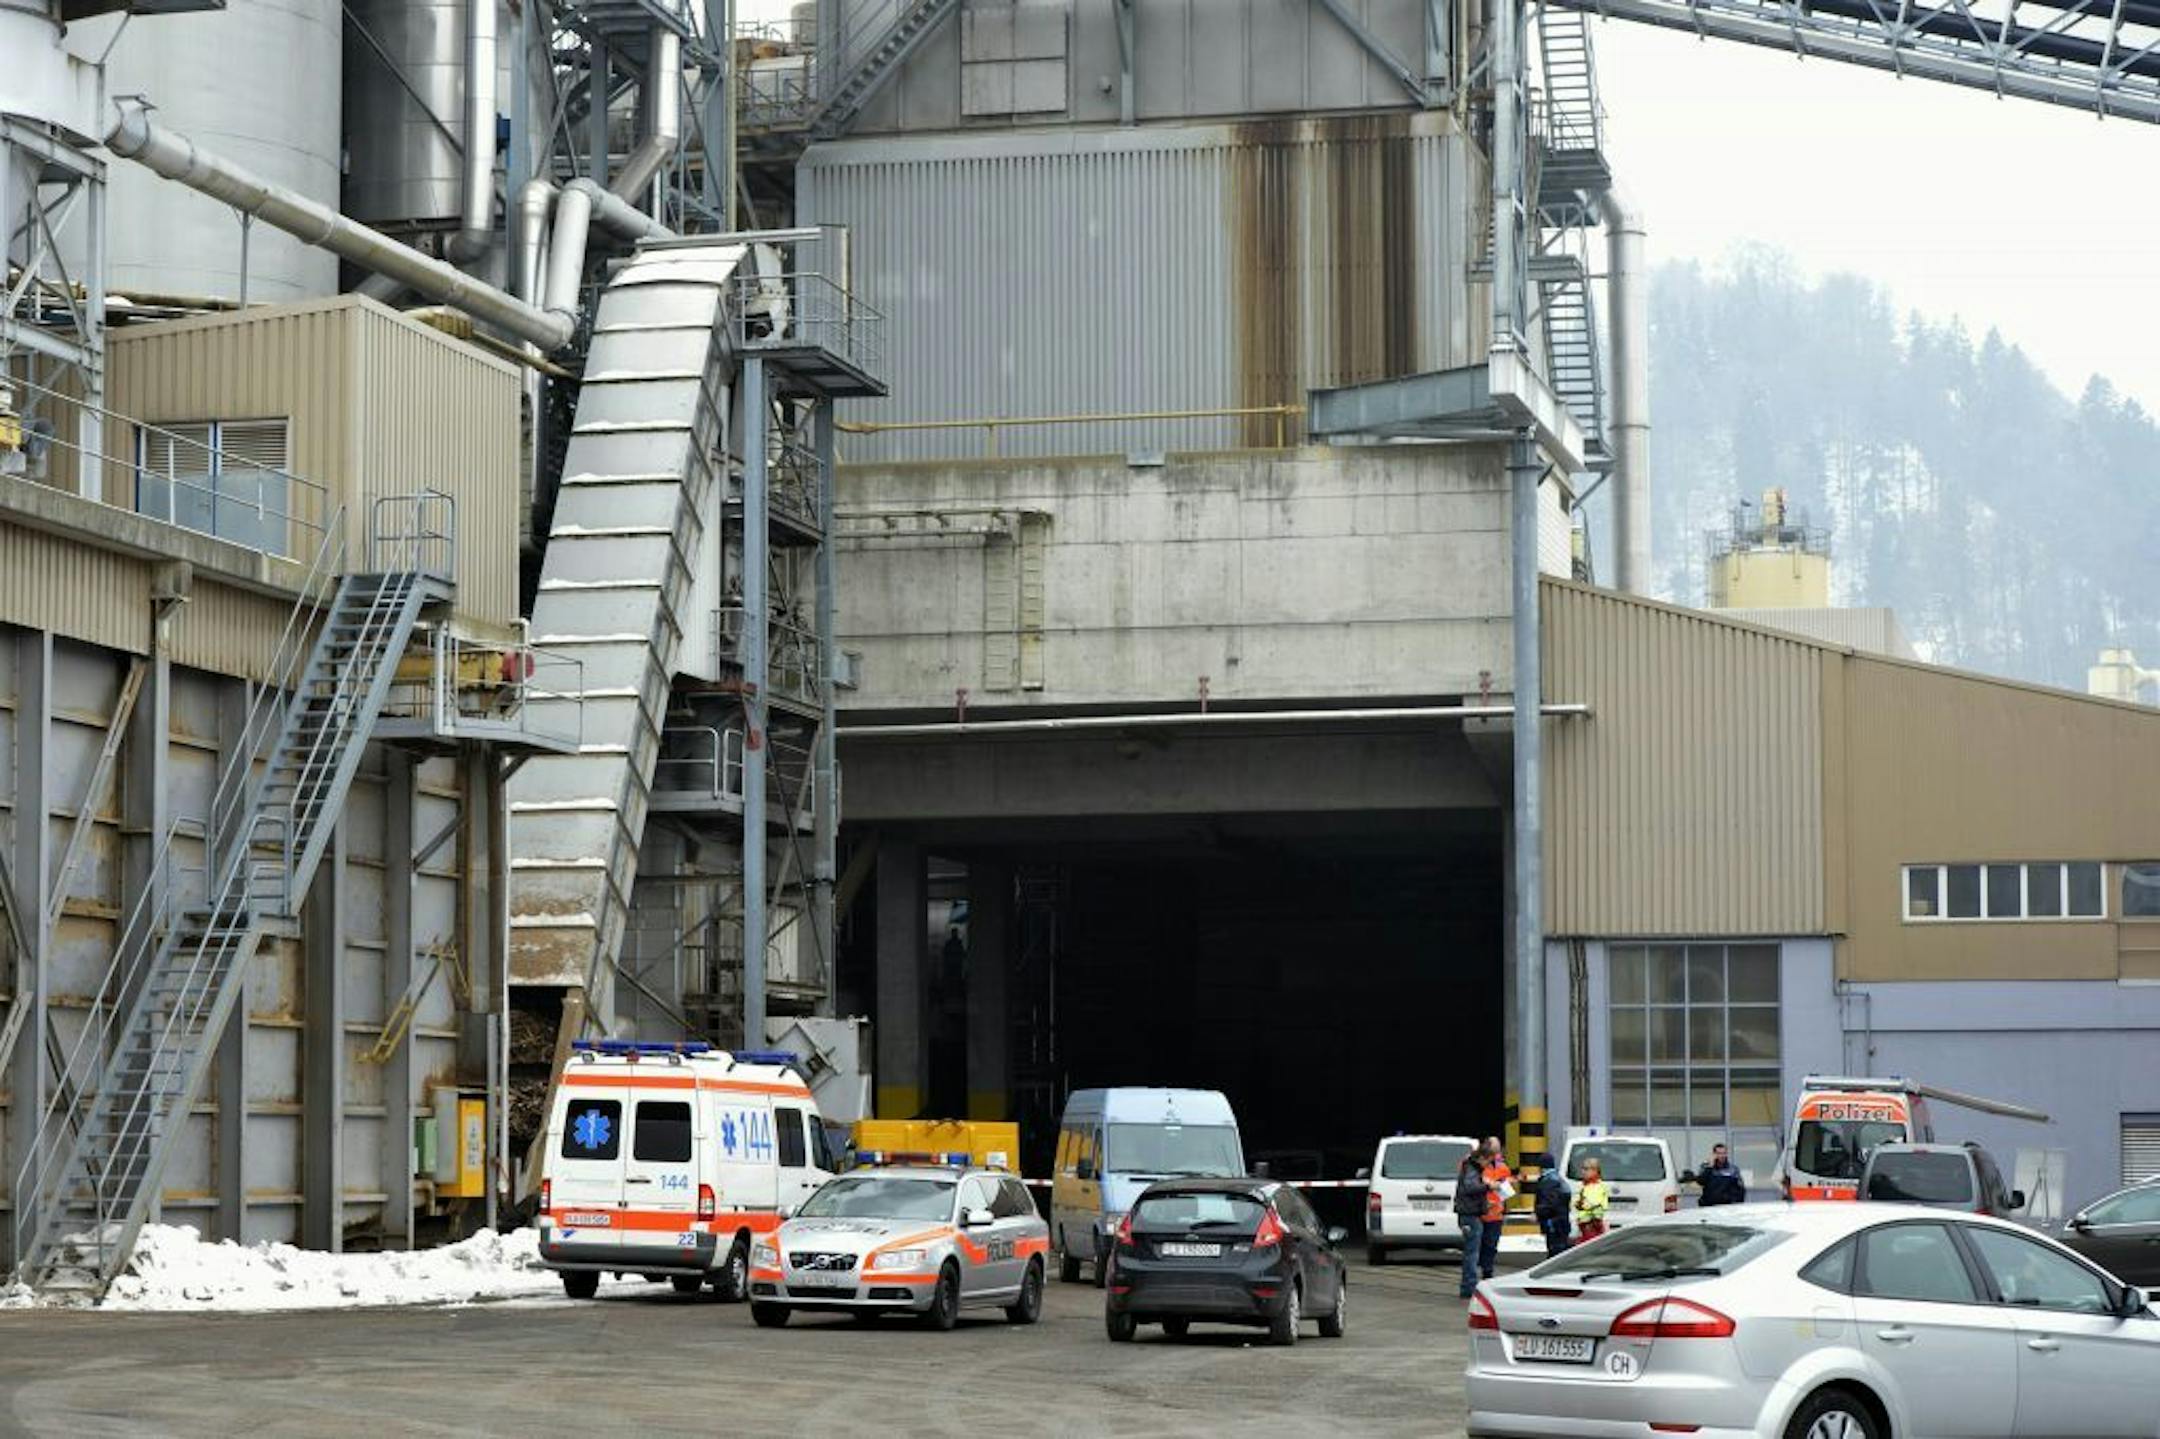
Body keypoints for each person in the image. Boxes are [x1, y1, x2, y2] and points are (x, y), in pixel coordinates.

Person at [1453, 1146, 1491, 1299]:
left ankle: (1468, 1285)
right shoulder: (1471, 1170)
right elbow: (1471, 1187)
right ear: (1481, 1158)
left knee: (1471, 1251)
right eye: (1488, 1161)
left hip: (1469, 1214)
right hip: (1470, 1215)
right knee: (1472, 1253)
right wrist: (1487, 1186)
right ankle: (1469, 1287)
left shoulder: (1470, 1168)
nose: (1487, 1165)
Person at [1478, 1136, 1513, 1283]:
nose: (1496, 1153)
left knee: (1491, 1245)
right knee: (1479, 1244)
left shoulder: (1503, 1168)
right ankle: (1479, 1269)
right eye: (1494, 1149)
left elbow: (1507, 1188)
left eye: (1498, 1150)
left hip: (1496, 1213)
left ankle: (1487, 1271)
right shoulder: (1477, 1164)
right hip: (1479, 1212)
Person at [1530, 1154, 1572, 1255]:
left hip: (1553, 1224)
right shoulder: (1558, 1179)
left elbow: (1549, 1204)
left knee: (1554, 1251)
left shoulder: (1548, 1181)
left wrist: (1537, 1213)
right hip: (1561, 1222)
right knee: (1560, 1250)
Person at [1573, 1157, 1610, 1243]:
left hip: (1592, 1226)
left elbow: (1589, 1204)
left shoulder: (1596, 1186)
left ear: (1595, 1170)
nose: (1583, 1172)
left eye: (1586, 1169)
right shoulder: (1588, 1185)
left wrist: (1579, 1203)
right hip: (1585, 1226)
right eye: (1582, 1168)